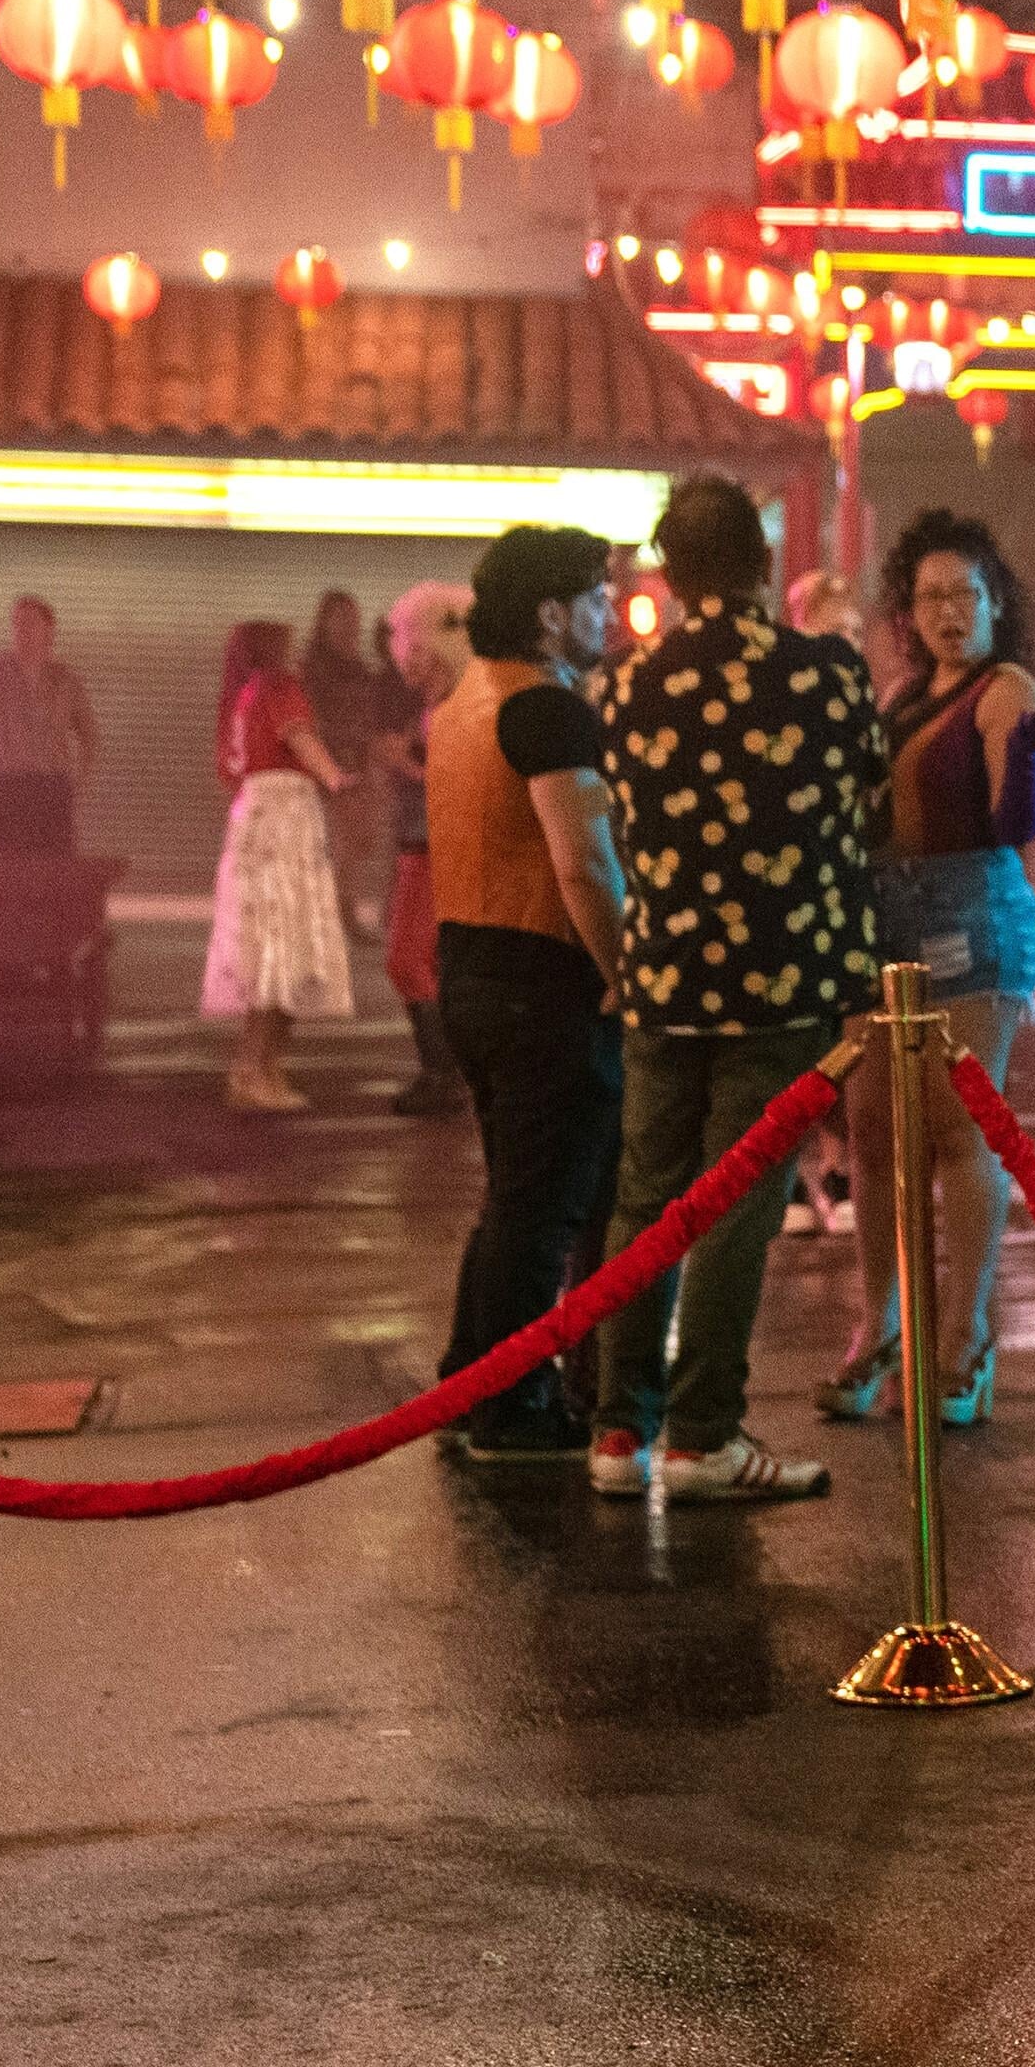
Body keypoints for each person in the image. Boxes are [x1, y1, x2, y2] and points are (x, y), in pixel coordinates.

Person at [591, 477, 875, 1503]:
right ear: (761, 566)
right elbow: (870, 807)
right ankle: (703, 1434)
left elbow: (620, 822)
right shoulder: (825, 673)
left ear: (670, 570)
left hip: (663, 974)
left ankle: (618, 1429)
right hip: (781, 975)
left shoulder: (622, 684)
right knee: (738, 1204)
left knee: (645, 1199)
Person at [818, 511, 1035, 1432]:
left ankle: (964, 1342)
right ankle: (879, 1327)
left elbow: (1012, 827)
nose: (949, 612)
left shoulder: (1008, 689)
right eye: (930, 598)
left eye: (965, 593)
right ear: (907, 612)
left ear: (995, 600)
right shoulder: (902, 693)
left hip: (970, 920)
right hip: (884, 922)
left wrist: (1028, 761)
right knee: (874, 1131)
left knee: (961, 1132)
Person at [427, 529, 626, 1466]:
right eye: (596, 599)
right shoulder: (547, 710)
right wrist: (624, 974)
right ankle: (511, 1405)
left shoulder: (463, 701)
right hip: (541, 974)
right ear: (551, 614)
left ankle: (469, 1378)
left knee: (512, 1192)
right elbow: (583, 863)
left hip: (467, 963)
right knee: (544, 1204)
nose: (608, 614)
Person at [200, 620, 359, 1113]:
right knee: (286, 948)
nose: (296, 655)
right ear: (269, 651)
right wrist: (336, 778)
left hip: (254, 817)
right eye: (287, 646)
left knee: (267, 950)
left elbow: (230, 770)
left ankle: (261, 1068)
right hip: (284, 820)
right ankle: (256, 1069)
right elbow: (300, 738)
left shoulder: (240, 697)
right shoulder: (276, 687)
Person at [780, 569, 868, 1238]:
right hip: (797, 892)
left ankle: (839, 1171)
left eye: (856, 631)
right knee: (800, 1044)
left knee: (849, 1040)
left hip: (848, 889)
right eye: (836, 630)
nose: (848, 643)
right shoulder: (786, 698)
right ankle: (799, 1178)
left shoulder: (862, 700)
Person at [379, 583, 477, 1117]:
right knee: (428, 960)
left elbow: (454, 780)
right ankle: (446, 1072)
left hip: (434, 845)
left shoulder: (455, 706)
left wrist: (409, 763)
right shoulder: (446, 703)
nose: (408, 664)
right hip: (428, 842)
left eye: (417, 651)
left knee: (409, 959)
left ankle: (442, 1075)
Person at [0, 595, 96, 857]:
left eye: (30, 623)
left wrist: (76, 784)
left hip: (51, 790)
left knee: (53, 868)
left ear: (49, 631)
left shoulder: (65, 680)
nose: (22, 631)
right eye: (16, 624)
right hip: (3, 789)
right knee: (4, 867)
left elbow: (91, 739)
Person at [303, 588, 394, 941]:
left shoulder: (359, 669)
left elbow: (370, 714)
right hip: (328, 769)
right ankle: (335, 915)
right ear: (325, 623)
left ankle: (341, 910)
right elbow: (311, 721)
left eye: (353, 617)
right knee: (339, 843)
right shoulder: (314, 670)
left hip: (360, 766)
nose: (349, 625)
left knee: (359, 842)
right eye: (341, 617)